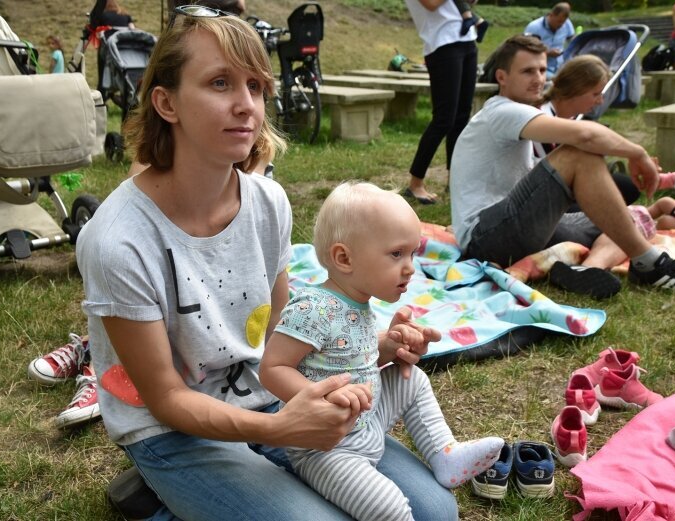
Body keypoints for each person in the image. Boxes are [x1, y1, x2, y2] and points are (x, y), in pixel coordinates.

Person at [77, 9, 458, 520]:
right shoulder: (118, 239)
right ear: (166, 102)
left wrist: (371, 349)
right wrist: (278, 431)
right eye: (220, 83)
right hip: (176, 432)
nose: (246, 106)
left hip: (275, 397)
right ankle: (159, 492)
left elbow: (282, 331)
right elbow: (166, 398)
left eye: (255, 87)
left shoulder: (268, 202)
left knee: (435, 512)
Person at [260, 181, 503, 521]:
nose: (410, 267)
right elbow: (272, 368)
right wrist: (318, 398)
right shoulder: (312, 308)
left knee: (412, 379)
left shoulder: (358, 302)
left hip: (367, 419)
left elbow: (350, 354)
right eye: (396, 254)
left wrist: (389, 345)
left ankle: (444, 453)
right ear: (344, 258)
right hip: (327, 448)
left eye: (413, 254)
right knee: (389, 507)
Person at [449, 34, 675, 298]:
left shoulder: (521, 112)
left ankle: (590, 269)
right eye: (527, 71)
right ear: (502, 77)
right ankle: (650, 263)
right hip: (484, 237)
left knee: (629, 217)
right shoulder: (502, 111)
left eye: (543, 70)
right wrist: (638, 153)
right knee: (579, 154)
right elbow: (585, 136)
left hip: (514, 227)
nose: (538, 78)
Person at [534, 54, 640, 210]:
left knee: (628, 187)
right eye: (596, 94)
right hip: (544, 194)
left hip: (565, 184)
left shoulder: (571, 116)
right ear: (575, 89)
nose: (600, 101)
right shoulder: (543, 117)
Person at [402, 0, 480, 205]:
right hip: (442, 45)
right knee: (444, 119)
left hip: (467, 40)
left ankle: (454, 181)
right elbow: (431, 4)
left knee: (462, 117)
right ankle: (415, 183)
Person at [523, 2, 575, 79]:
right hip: (541, 68)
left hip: (561, 66)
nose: (561, 25)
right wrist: (547, 52)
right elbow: (525, 49)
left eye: (563, 22)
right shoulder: (534, 27)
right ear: (551, 15)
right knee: (558, 81)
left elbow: (572, 39)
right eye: (559, 21)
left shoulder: (567, 23)